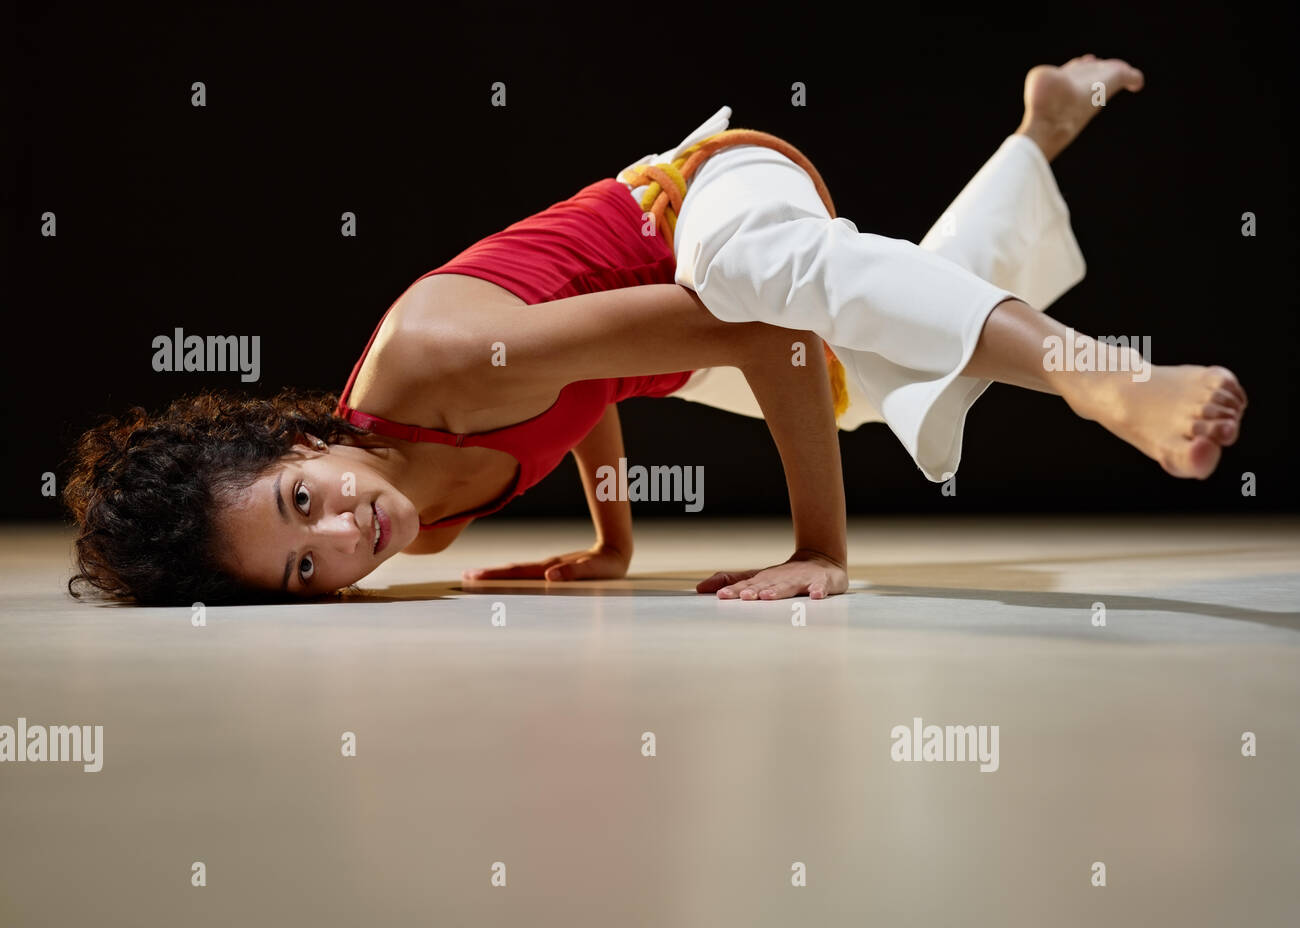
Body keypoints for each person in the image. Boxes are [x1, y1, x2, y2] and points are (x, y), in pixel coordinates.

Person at [64, 55, 1246, 606]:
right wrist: (613, 543)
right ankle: (1036, 135)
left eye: (300, 503)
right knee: (881, 374)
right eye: (309, 570)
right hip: (694, 322)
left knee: (771, 279)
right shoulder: (422, 534)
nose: (344, 534)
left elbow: (762, 336)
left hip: (697, 200)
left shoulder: (433, 351)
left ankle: (1100, 377)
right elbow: (586, 397)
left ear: (290, 439)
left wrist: (818, 550)